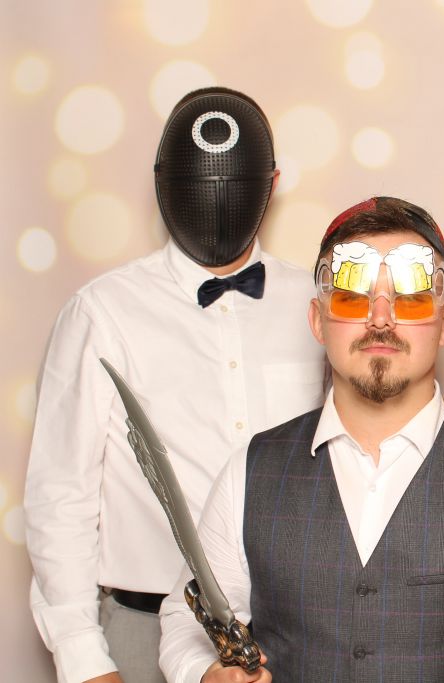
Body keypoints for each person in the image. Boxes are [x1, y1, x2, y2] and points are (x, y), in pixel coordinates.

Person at [158, 196, 444, 683]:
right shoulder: (249, 472)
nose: (381, 319)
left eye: (411, 298)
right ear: (318, 320)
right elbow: (187, 617)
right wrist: (203, 673)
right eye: (353, 298)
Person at [24, 87, 327, 683]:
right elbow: (60, 492)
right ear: (164, 184)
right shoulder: (102, 312)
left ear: (271, 184)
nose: (215, 201)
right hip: (139, 633)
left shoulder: (317, 304)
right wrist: (84, 660)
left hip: (292, 627)